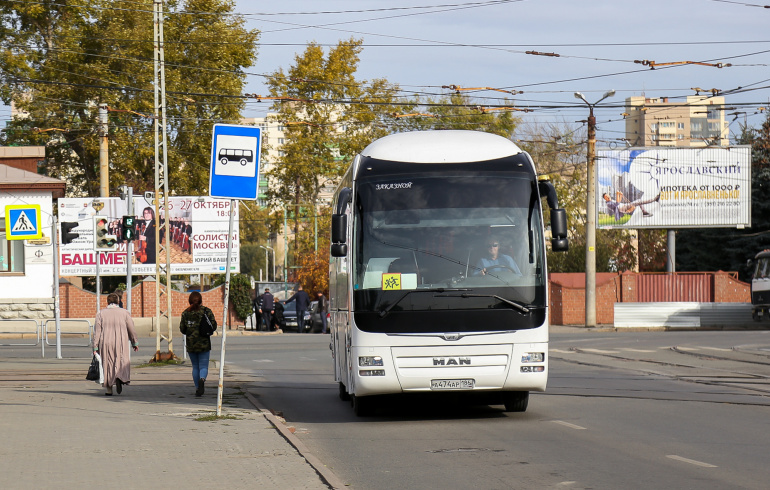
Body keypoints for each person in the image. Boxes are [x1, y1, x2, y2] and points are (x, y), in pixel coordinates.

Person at [93, 292, 139, 396]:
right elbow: (131, 328)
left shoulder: (101, 313)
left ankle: (109, 389)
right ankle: (119, 377)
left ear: (107, 302)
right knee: (121, 360)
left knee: (108, 363)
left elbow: (97, 332)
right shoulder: (125, 312)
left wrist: (95, 346)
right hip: (121, 341)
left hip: (106, 342)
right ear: (118, 301)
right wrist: (134, 342)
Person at [179, 291, 217, 397]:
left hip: (191, 344)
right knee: (203, 366)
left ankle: (197, 388)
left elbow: (182, 329)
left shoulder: (186, 313)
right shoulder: (206, 311)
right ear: (201, 300)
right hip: (204, 343)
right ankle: (202, 379)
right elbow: (213, 326)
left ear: (189, 301)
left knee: (195, 366)